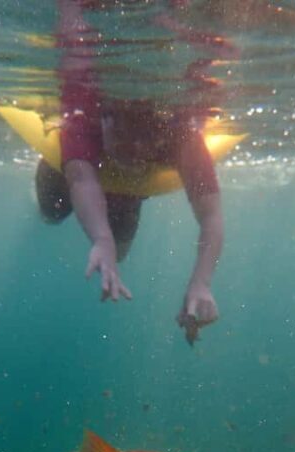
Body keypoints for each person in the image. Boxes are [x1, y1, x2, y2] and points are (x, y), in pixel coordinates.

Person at [37, 0, 234, 344]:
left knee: (121, 253)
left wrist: (201, 282)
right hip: (76, 167)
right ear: (109, 118)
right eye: (127, 138)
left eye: (147, 139)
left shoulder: (181, 136)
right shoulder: (87, 113)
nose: (137, 148)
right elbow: (81, 177)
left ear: (162, 128)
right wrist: (100, 239)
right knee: (50, 212)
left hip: (128, 188)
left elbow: (212, 215)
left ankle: (111, 223)